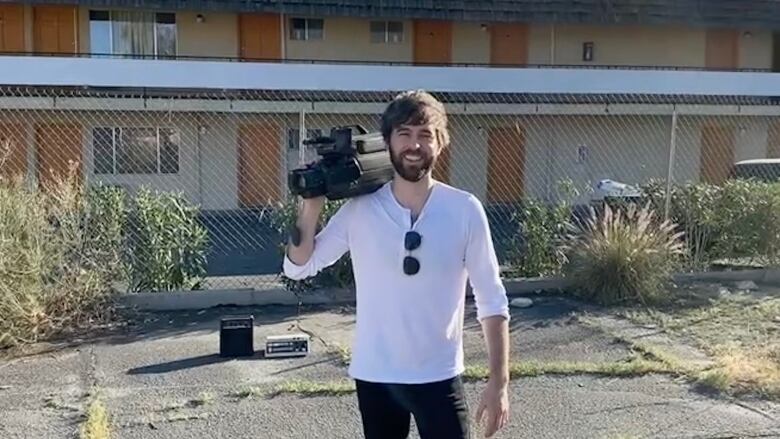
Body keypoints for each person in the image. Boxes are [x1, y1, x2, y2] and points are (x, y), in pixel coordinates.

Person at [284, 90, 510, 439]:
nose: (414, 145)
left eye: (425, 135)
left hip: (439, 375)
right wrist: (313, 200)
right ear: (388, 141)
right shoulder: (361, 210)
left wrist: (499, 383)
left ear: (440, 143)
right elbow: (298, 265)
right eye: (404, 133)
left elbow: (492, 301)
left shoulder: (464, 210)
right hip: (377, 377)